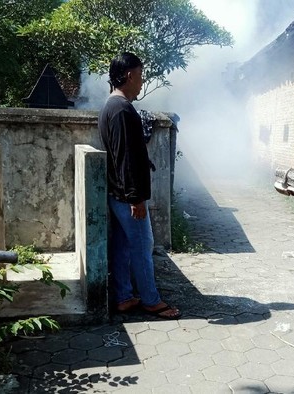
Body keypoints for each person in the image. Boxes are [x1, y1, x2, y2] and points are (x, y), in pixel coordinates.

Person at [98, 52, 181, 320]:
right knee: (144, 245)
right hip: (126, 195)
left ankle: (124, 296)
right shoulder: (121, 109)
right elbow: (125, 157)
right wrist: (136, 198)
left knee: (123, 245)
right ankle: (150, 300)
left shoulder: (110, 106)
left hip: (117, 192)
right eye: (141, 76)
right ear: (130, 75)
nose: (142, 83)